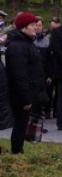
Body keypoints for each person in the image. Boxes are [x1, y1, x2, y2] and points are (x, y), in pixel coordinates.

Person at [5, 12, 49, 154]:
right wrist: (26, 98)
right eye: (32, 25)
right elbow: (19, 75)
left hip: (30, 90)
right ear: (23, 27)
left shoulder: (27, 42)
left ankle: (19, 148)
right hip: (21, 93)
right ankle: (17, 150)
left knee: (24, 122)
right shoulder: (18, 46)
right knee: (20, 123)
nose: (36, 27)